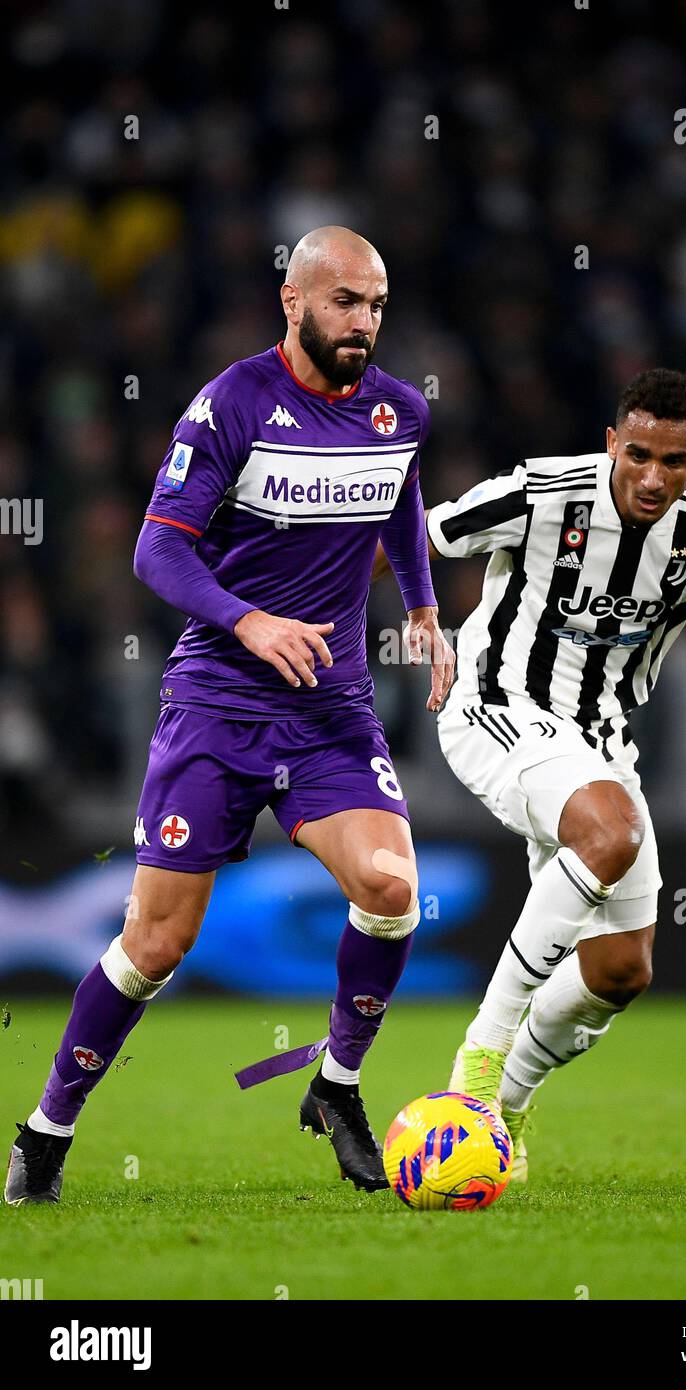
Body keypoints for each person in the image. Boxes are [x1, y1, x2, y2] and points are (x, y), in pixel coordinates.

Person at [6, 226, 455, 1204]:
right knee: (157, 945)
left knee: (388, 885)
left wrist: (421, 610)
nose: (363, 322)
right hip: (216, 702)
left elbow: (396, 510)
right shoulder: (233, 405)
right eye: (344, 302)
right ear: (293, 303)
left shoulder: (398, 412)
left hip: (329, 705)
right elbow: (156, 553)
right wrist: (249, 622)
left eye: (376, 304)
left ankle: (334, 1084)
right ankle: (48, 1128)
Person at [379, 367, 686, 1182]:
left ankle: (507, 1113)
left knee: (621, 971)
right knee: (612, 830)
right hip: (495, 701)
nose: (653, 478)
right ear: (611, 445)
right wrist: (320, 614)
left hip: (599, 738)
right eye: (637, 456)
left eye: (674, 461)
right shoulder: (542, 494)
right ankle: (479, 1066)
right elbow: (409, 537)